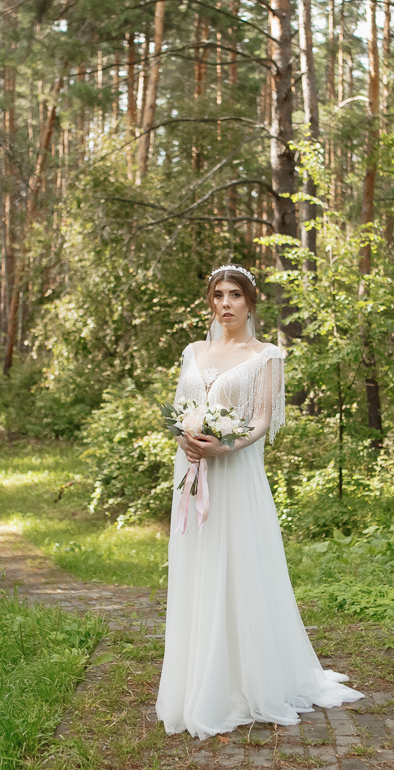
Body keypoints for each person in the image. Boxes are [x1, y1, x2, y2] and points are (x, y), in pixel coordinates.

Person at [155, 264, 363, 739]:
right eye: (217, 295)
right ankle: (197, 681)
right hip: (191, 471)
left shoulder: (266, 355)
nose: (225, 304)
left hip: (234, 474)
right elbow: (183, 407)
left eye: (235, 296)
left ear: (250, 302)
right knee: (199, 567)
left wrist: (223, 445)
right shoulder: (192, 351)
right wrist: (187, 437)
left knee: (238, 565)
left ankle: (247, 680)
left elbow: (263, 420)